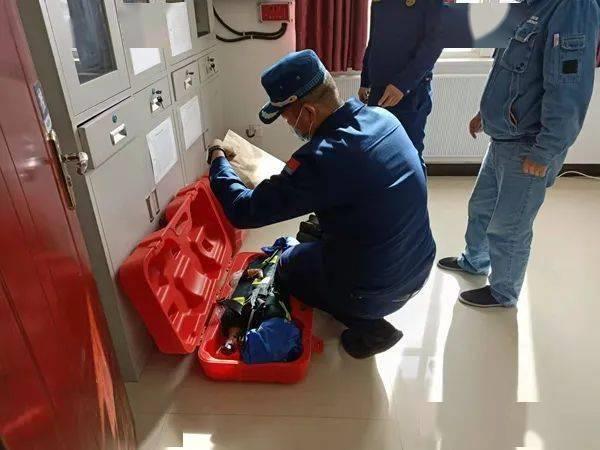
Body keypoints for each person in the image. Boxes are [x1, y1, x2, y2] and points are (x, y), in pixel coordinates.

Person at [208, 50, 436, 358]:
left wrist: (218, 160)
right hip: (419, 264)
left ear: (307, 112)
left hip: (378, 289)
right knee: (314, 230)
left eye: (287, 116)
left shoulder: (322, 157)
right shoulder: (384, 119)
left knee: (286, 265)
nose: (289, 123)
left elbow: (242, 209)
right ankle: (356, 295)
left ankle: (371, 327)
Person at [438, 0, 600, 308]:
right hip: (504, 134)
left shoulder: (573, 7)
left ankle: (503, 292)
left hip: (529, 142)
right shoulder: (530, 5)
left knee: (508, 226)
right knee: (482, 207)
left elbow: (569, 89)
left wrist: (546, 150)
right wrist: (486, 113)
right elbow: (508, 69)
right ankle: (474, 261)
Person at [359, 0, 445, 161]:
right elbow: (374, 39)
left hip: (410, 92)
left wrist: (402, 85)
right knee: (376, 152)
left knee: (409, 155)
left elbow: (434, 44)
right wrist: (365, 80)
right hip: (378, 88)